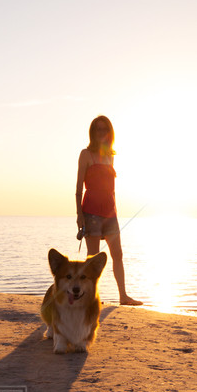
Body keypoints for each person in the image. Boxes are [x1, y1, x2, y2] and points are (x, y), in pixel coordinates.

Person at [75, 116, 142, 306]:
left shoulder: (110, 155)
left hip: (110, 213)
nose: (102, 132)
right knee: (94, 258)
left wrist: (114, 210)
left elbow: (111, 189)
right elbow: (79, 185)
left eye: (105, 129)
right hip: (91, 212)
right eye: (98, 129)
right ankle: (92, 297)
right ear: (93, 132)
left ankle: (123, 296)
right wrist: (79, 215)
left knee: (117, 254)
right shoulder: (86, 154)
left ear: (110, 132)